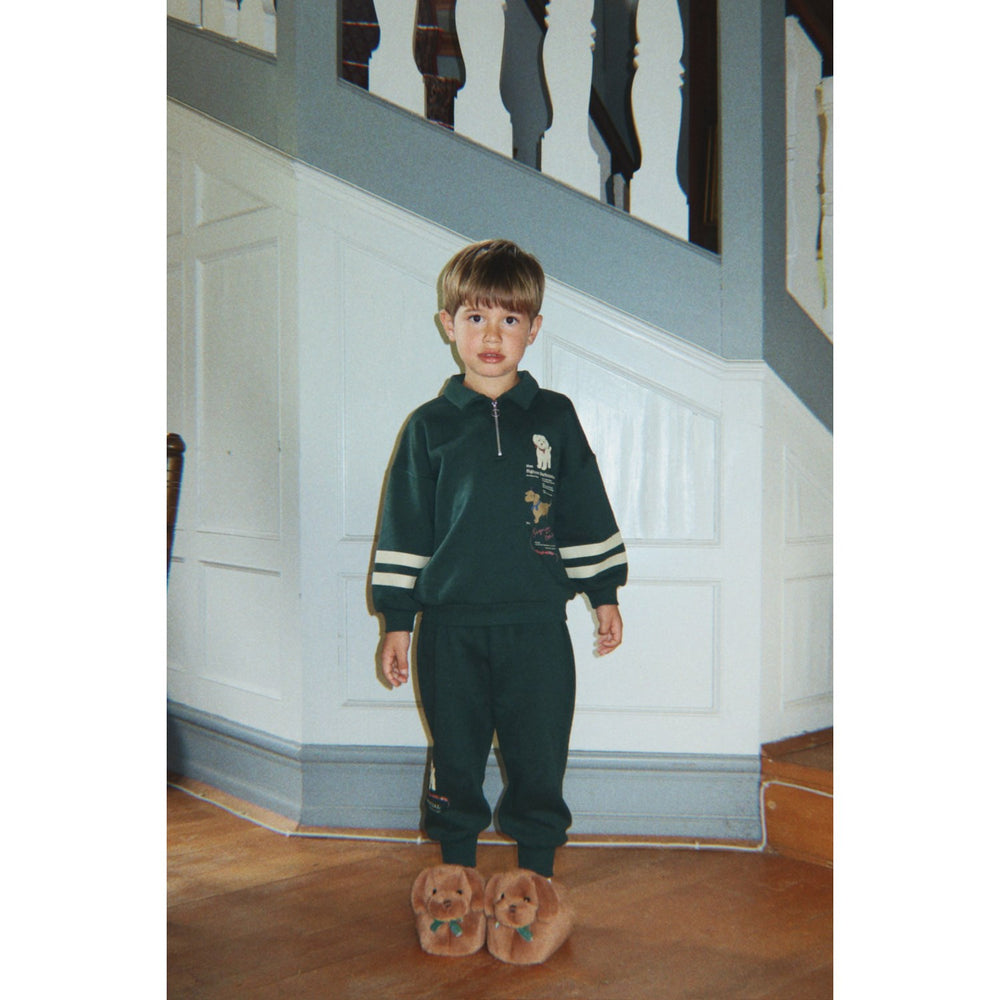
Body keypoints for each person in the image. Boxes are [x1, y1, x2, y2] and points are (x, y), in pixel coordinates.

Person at [371, 239, 627, 882]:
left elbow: (583, 507)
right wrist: (397, 622)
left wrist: (604, 594)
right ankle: (453, 884)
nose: (492, 335)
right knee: (454, 759)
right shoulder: (429, 426)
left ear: (533, 329)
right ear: (448, 324)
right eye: (476, 317)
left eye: (509, 319)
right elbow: (406, 525)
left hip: (536, 627)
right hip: (450, 630)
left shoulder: (555, 418)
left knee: (539, 758)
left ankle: (534, 886)